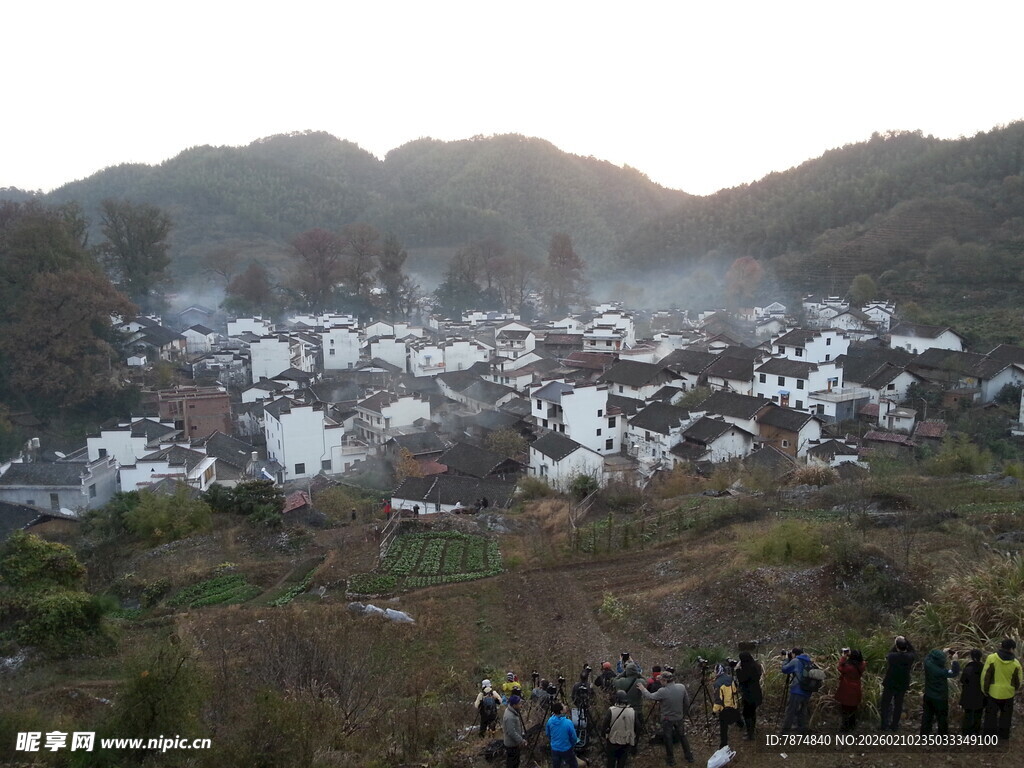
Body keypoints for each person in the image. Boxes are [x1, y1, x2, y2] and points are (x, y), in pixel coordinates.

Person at [637, 669, 695, 765]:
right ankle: (689, 757)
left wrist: (643, 689)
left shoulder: (663, 691)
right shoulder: (681, 687)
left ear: (665, 681)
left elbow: (650, 696)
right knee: (682, 736)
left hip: (667, 719)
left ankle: (671, 760)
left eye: (661, 680)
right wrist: (682, 713)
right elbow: (687, 703)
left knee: (668, 738)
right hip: (679, 717)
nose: (660, 681)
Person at [982, 638, 1023, 742]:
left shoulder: (991, 658)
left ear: (1001, 646)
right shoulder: (1016, 664)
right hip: (1008, 694)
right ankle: (1004, 736)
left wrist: (985, 690)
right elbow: (1019, 681)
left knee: (991, 716)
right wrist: (1014, 689)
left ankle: (989, 736)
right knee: (1006, 717)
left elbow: (985, 676)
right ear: (1012, 649)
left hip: (993, 692)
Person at [879, 636, 916, 731]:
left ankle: (884, 725)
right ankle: (894, 725)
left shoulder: (892, 657)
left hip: (890, 683)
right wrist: (905, 640)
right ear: (906, 647)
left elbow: (890, 652)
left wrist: (897, 642)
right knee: (898, 705)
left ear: (896, 647)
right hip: (902, 683)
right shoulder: (910, 657)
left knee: (885, 704)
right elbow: (913, 651)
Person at [921, 648, 960, 735]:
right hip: (940, 698)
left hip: (928, 695)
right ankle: (942, 736)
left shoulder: (928, 664)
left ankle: (924, 734)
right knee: (942, 718)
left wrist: (942, 652)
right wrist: (955, 661)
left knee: (927, 715)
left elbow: (928, 656)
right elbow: (954, 672)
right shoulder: (941, 671)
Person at [779, 648, 813, 734]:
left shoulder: (796, 661)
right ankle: (802, 729)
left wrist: (786, 659)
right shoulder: (808, 660)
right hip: (807, 690)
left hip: (797, 690)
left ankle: (785, 731)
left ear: (794, 654)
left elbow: (784, 669)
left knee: (791, 711)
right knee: (802, 710)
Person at [601, 690, 636, 768]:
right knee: (622, 763)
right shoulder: (632, 711)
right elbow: (638, 727)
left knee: (611, 762)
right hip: (626, 741)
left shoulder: (611, 710)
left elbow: (604, 725)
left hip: (613, 741)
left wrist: (604, 735)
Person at [835, 649, 866, 732]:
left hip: (846, 687)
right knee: (853, 708)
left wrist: (843, 657)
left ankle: (845, 727)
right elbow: (862, 661)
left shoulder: (848, 667)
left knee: (845, 708)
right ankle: (852, 725)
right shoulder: (862, 665)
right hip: (856, 688)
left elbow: (839, 667)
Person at [735, 652, 764, 740]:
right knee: (752, 713)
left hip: (749, 695)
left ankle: (750, 734)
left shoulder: (747, 670)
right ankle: (752, 730)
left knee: (746, 714)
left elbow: (741, 679)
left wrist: (737, 669)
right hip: (756, 693)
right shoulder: (756, 666)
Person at [712, 663, 741, 748]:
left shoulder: (717, 683)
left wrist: (714, 711)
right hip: (733, 705)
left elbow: (718, 700)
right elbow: (735, 691)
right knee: (737, 717)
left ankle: (723, 744)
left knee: (723, 728)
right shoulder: (730, 678)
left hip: (724, 709)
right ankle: (741, 725)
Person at [545, 701, 579, 768]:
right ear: (561, 711)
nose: (565, 707)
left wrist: (553, 742)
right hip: (566, 748)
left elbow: (548, 734)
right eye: (564, 706)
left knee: (556, 765)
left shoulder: (550, 721)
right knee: (573, 765)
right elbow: (574, 738)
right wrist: (572, 745)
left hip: (554, 748)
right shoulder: (568, 722)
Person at [959, 649, 985, 735]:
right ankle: (976, 731)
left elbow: (962, 680)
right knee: (978, 713)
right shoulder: (984, 668)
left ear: (971, 656)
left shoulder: (968, 668)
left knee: (968, 713)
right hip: (980, 694)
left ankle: (966, 732)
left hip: (968, 694)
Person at [503, 694, 527, 768]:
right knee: (512, 764)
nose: (521, 705)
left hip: (513, 743)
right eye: (519, 704)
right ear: (514, 705)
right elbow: (511, 732)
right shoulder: (510, 716)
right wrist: (521, 740)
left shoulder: (512, 712)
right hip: (511, 745)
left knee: (515, 762)